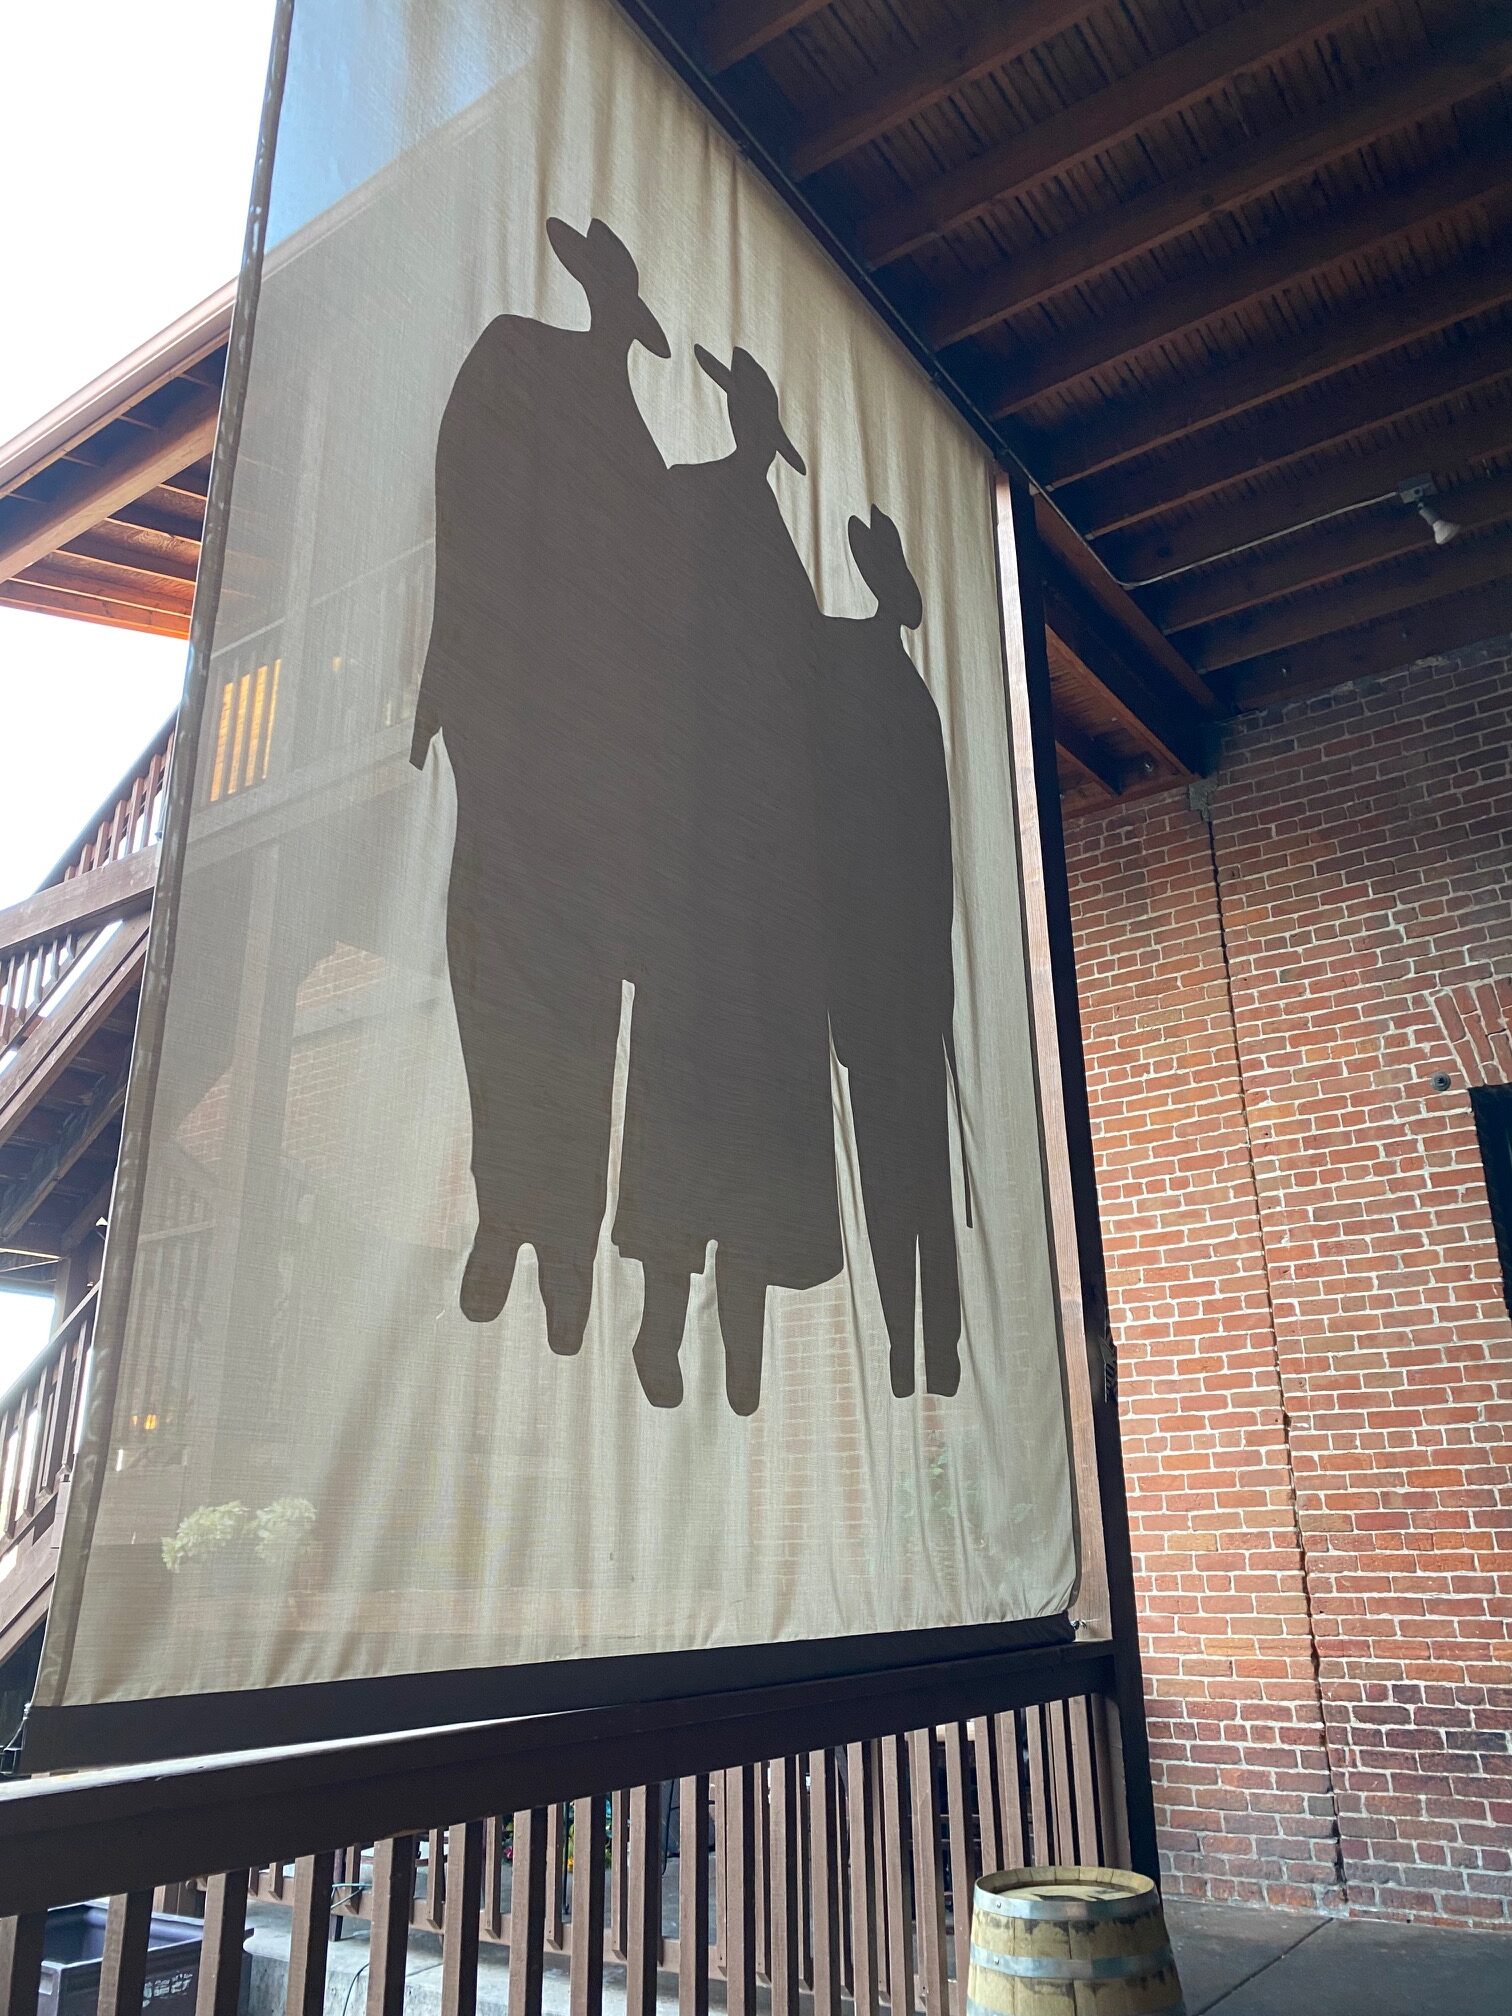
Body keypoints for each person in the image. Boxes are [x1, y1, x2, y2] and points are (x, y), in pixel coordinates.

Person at [413, 217, 670, 1351]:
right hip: (513, 731)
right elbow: (465, 508)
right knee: (495, 971)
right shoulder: (517, 356)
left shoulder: (642, 457)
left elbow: (661, 629)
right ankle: (505, 1206)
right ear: (587, 289)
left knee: (583, 997)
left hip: (608, 773)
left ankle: (566, 1236)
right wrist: (450, 672)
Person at [616, 347, 842, 1416]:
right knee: (681, 1094)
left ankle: (741, 1347)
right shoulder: (689, 500)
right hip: (696, 854)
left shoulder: (776, 548)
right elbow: (648, 649)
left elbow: (804, 692)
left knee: (761, 1119)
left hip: (772, 876)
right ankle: (662, 1322)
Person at [817, 508, 967, 1398]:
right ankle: (926, 1344)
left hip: (879, 983)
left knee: (892, 1173)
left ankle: (914, 1342)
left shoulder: (865, 678)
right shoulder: (909, 699)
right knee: (919, 1172)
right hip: (907, 980)